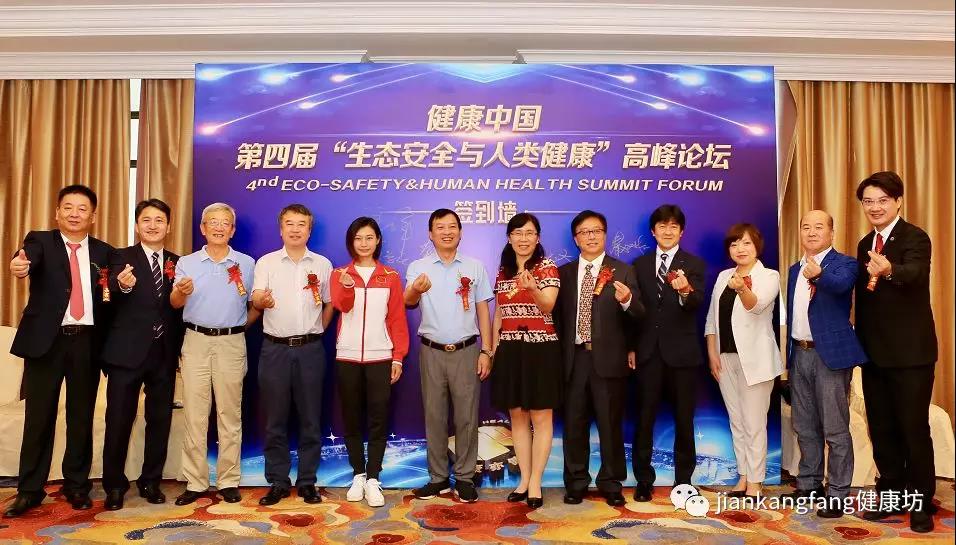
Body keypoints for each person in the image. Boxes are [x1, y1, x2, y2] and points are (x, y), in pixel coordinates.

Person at [4, 185, 113, 518]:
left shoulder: (104, 252)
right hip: (47, 342)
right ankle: (29, 490)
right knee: (39, 417)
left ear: (93, 216)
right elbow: (25, 259)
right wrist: (19, 265)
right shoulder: (39, 241)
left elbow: (112, 297)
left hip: (87, 342)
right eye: (68, 207)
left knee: (81, 417)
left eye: (82, 208)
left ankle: (76, 485)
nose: (74, 214)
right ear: (57, 213)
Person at [854, 171, 938, 533]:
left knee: (913, 429)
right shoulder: (864, 243)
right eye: (868, 201)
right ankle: (892, 495)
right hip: (874, 355)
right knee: (882, 429)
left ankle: (920, 503)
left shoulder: (915, 237)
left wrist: (890, 270)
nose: (875, 207)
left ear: (898, 201)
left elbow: (916, 274)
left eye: (882, 200)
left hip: (911, 356)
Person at [100, 198, 185, 510]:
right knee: (118, 421)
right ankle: (114, 486)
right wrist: (121, 287)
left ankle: (151, 481)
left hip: (163, 353)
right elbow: (106, 294)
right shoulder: (120, 257)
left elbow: (179, 308)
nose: (153, 225)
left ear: (168, 226)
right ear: (137, 225)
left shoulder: (178, 262)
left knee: (159, 420)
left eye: (159, 220)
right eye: (146, 220)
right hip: (126, 354)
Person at [171, 202, 257, 506]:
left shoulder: (246, 263)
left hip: (232, 343)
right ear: (203, 228)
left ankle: (228, 480)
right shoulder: (187, 263)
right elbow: (175, 303)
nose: (219, 227)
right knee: (195, 414)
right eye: (213, 222)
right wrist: (181, 291)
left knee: (229, 414)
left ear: (232, 230)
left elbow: (255, 304)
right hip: (195, 340)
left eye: (225, 223)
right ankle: (195, 482)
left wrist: (237, 328)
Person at [554, 210, 643, 507]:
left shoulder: (623, 271)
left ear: (605, 235)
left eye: (596, 231)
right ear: (576, 239)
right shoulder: (564, 274)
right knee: (574, 424)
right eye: (585, 232)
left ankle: (611, 482)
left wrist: (627, 300)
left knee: (610, 424)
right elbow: (556, 319)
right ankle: (576, 482)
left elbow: (639, 315)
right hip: (574, 359)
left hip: (609, 359)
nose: (591, 236)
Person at [405, 209, 493, 504]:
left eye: (452, 226)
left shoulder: (475, 266)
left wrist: (486, 350)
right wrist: (416, 289)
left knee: (467, 417)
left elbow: (483, 310)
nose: (447, 232)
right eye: (440, 227)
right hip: (431, 350)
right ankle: (438, 478)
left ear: (460, 232)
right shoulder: (419, 267)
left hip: (467, 350)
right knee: (434, 416)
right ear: (430, 234)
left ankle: (465, 478)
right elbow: (407, 301)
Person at [784, 209, 867, 518]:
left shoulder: (845, 264)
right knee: (804, 426)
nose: (811, 232)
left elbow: (841, 286)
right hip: (799, 353)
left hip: (830, 355)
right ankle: (809, 484)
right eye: (806, 227)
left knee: (835, 428)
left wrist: (818, 273)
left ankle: (838, 493)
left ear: (831, 233)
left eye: (819, 227)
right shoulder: (794, 269)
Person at [250, 204, 333, 506]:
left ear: (309, 230)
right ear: (280, 229)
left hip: (311, 350)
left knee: (311, 419)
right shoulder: (267, 262)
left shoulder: (322, 264)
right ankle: (278, 482)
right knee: (275, 419)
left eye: (301, 224)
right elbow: (256, 298)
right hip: (275, 349)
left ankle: (308, 481)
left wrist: (317, 331)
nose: (295, 229)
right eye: (289, 223)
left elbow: (329, 303)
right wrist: (261, 300)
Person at [629, 204, 706, 501]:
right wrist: (632, 347)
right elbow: (634, 312)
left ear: (681, 231)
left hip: (682, 355)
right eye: (662, 226)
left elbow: (695, 303)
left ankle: (684, 480)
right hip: (648, 353)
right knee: (644, 418)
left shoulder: (694, 264)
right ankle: (643, 480)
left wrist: (685, 290)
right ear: (653, 231)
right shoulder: (638, 265)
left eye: (674, 226)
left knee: (684, 420)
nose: (668, 231)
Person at [331, 217, 409, 508]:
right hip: (347, 355)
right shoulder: (340, 274)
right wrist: (347, 286)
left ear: (377, 241)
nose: (363, 244)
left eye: (369, 238)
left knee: (378, 419)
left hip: (381, 356)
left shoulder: (391, 276)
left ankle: (374, 477)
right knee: (351, 418)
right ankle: (358, 474)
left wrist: (398, 357)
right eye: (358, 238)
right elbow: (341, 305)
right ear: (351, 242)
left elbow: (397, 319)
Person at [704, 223, 782, 499]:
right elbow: (712, 319)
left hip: (756, 362)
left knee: (754, 423)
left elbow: (756, 305)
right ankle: (743, 476)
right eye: (735, 244)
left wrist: (741, 289)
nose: (740, 249)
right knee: (736, 421)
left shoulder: (769, 276)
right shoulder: (723, 276)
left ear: (757, 246)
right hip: (725, 358)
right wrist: (712, 354)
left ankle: (756, 482)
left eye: (746, 243)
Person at [490, 213, 561, 509]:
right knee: (517, 416)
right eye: (517, 233)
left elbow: (549, 305)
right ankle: (523, 479)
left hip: (541, 349)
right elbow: (499, 314)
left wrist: (532, 288)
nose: (523, 238)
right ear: (509, 238)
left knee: (541, 418)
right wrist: (492, 350)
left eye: (529, 233)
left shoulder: (547, 267)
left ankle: (535, 483)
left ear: (537, 238)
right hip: (510, 349)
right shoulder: (503, 271)